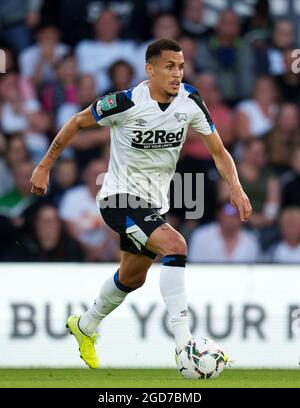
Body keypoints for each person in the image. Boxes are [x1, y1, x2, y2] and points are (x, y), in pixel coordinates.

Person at [30, 38, 252, 369]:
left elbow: (218, 151)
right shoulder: (126, 103)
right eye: (169, 67)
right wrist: (45, 164)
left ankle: (86, 325)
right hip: (117, 198)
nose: (177, 74)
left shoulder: (190, 100)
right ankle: (184, 344)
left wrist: (235, 186)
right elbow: (77, 121)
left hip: (152, 204)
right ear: (150, 70)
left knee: (132, 278)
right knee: (176, 244)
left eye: (180, 66)